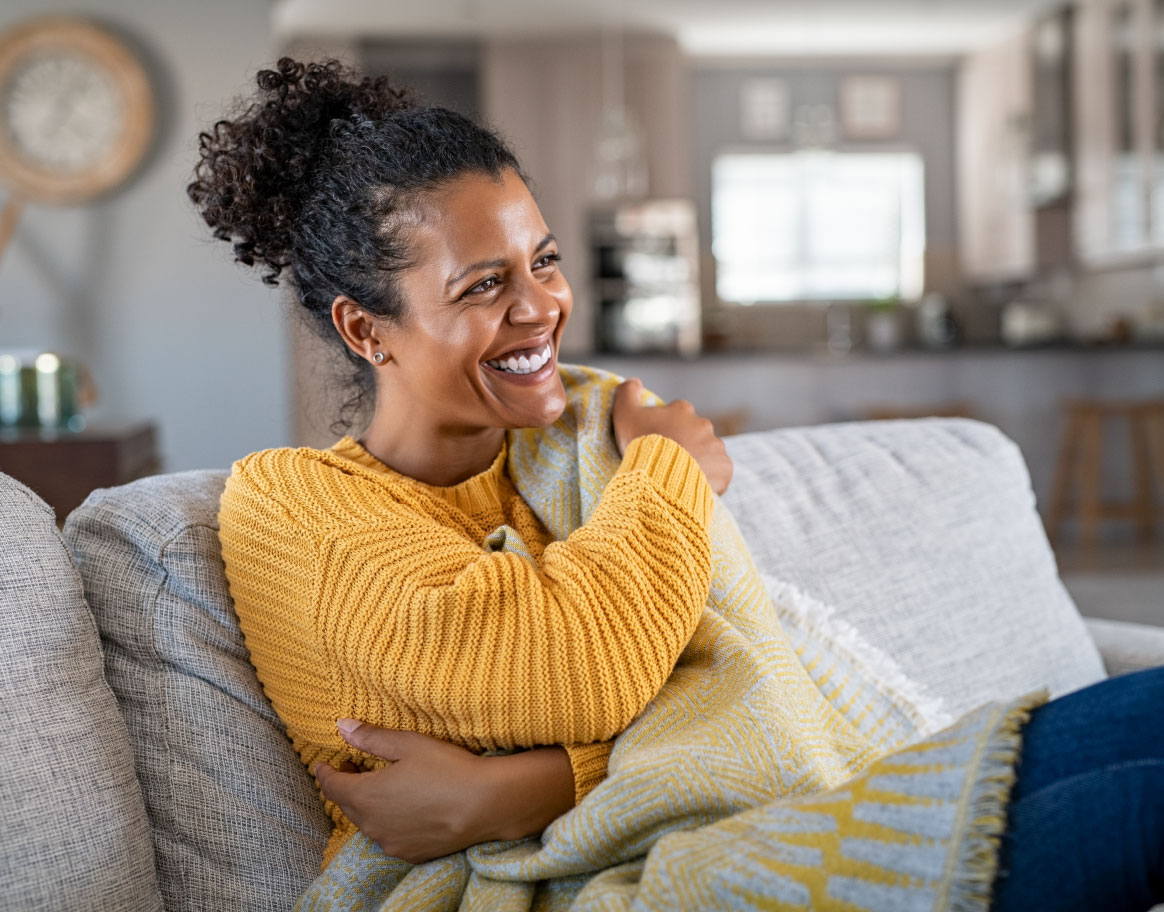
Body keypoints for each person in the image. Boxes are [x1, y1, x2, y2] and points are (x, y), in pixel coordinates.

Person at [192, 58, 1164, 912]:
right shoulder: (288, 501)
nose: (542, 310)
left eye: (544, 262)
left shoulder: (579, 432)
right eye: (483, 286)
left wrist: (531, 784)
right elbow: (575, 667)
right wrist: (672, 468)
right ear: (368, 331)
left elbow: (729, 672)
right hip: (619, 875)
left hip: (797, 800)